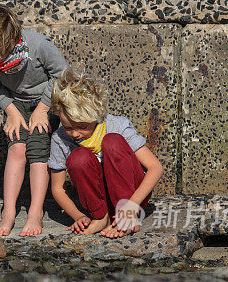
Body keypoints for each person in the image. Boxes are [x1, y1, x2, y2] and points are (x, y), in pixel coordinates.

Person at [0, 1, 68, 237]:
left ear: (10, 43)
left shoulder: (38, 46)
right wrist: (10, 111)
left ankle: (35, 211)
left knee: (38, 152)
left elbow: (62, 74)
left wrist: (43, 109)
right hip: (16, 103)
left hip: (47, 100)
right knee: (17, 149)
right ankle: (8, 212)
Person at [47, 68, 163, 238]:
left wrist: (132, 206)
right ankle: (101, 218)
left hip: (131, 198)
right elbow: (57, 188)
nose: (75, 134)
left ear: (96, 115)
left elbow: (155, 167)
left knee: (112, 141)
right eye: (69, 128)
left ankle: (127, 219)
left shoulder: (116, 125)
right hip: (98, 204)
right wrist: (79, 216)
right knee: (78, 157)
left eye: (83, 126)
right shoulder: (60, 138)